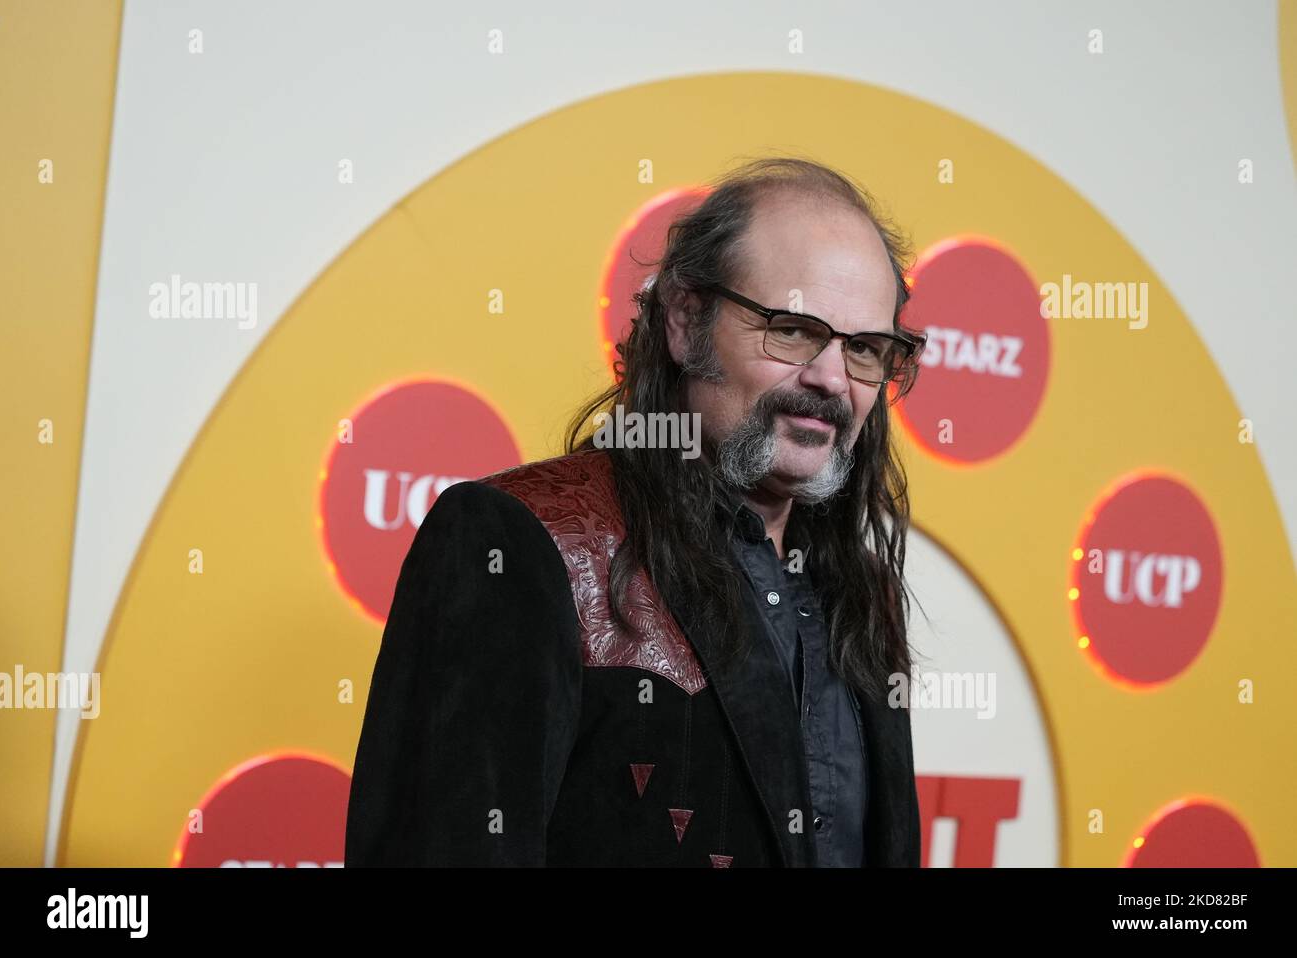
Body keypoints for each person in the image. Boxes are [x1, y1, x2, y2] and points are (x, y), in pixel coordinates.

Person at [345, 155, 927, 867]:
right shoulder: (523, 544)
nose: (831, 377)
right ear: (685, 320)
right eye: (793, 329)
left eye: (865, 348)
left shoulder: (861, 592)